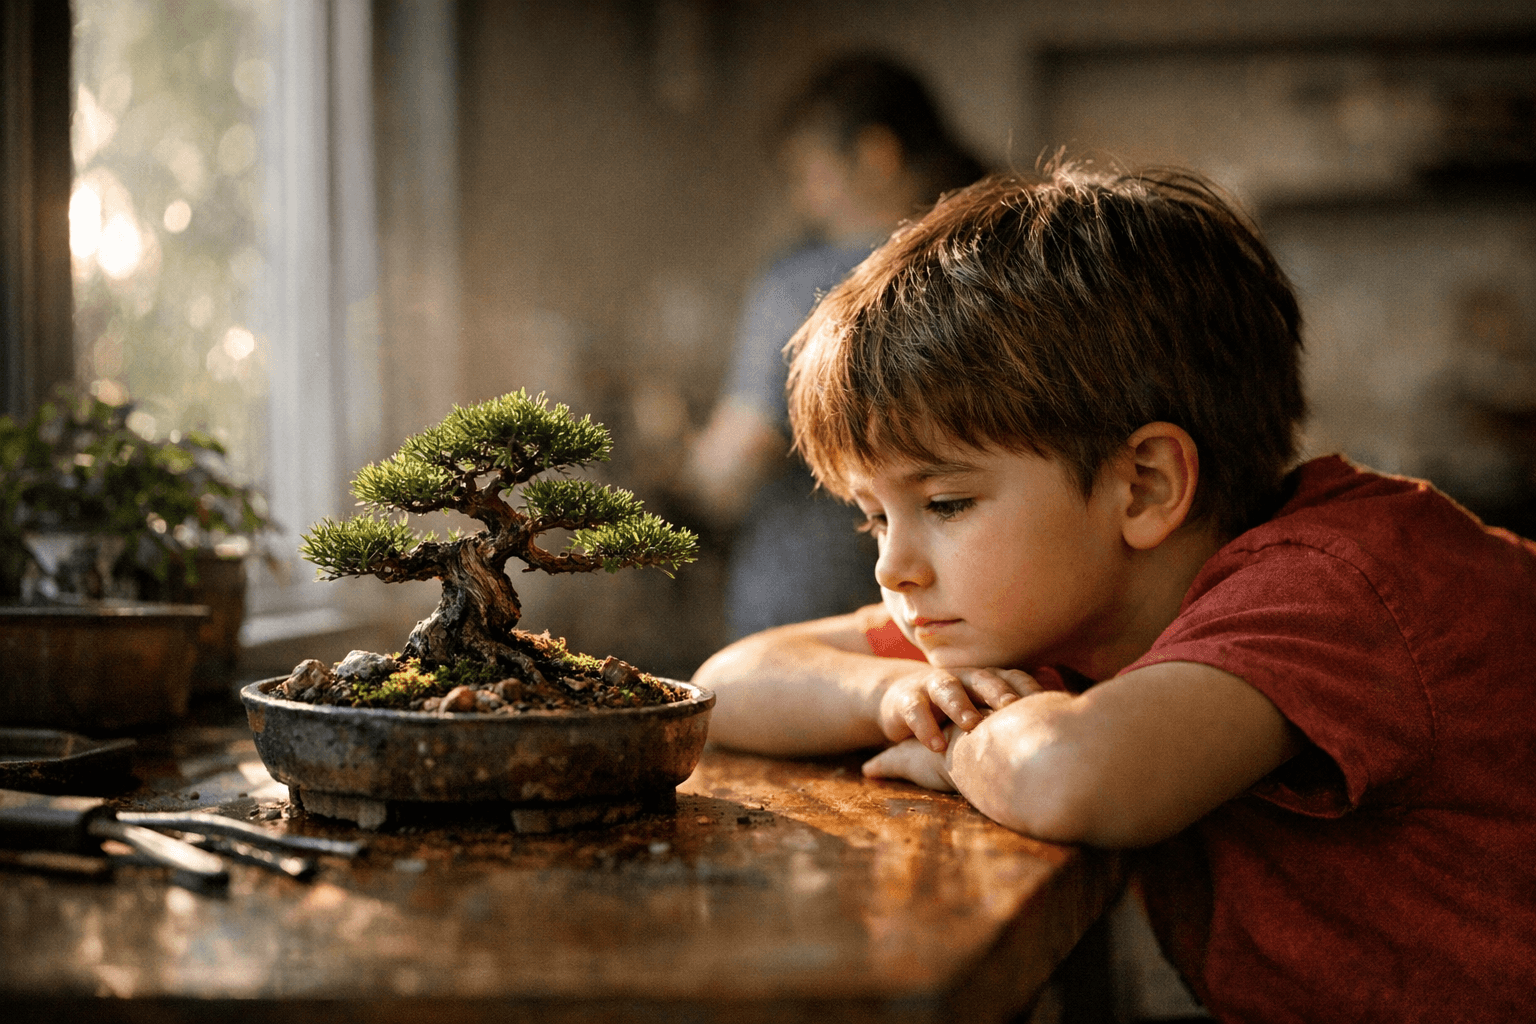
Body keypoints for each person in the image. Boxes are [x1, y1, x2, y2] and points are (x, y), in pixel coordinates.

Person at [693, 164, 1536, 1022]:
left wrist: (953, 742)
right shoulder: (1067, 620)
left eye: (945, 504)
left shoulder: (1336, 583)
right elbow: (725, 686)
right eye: (874, 518)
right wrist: (901, 693)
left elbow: (1072, 773)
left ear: (1143, 487)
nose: (891, 566)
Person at [684, 54, 983, 639]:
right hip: (964, 605)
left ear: (876, 155)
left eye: (807, 173)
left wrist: (684, 467)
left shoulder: (806, 280)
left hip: (811, 607)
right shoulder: (1000, 257)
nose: (803, 200)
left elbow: (734, 461)